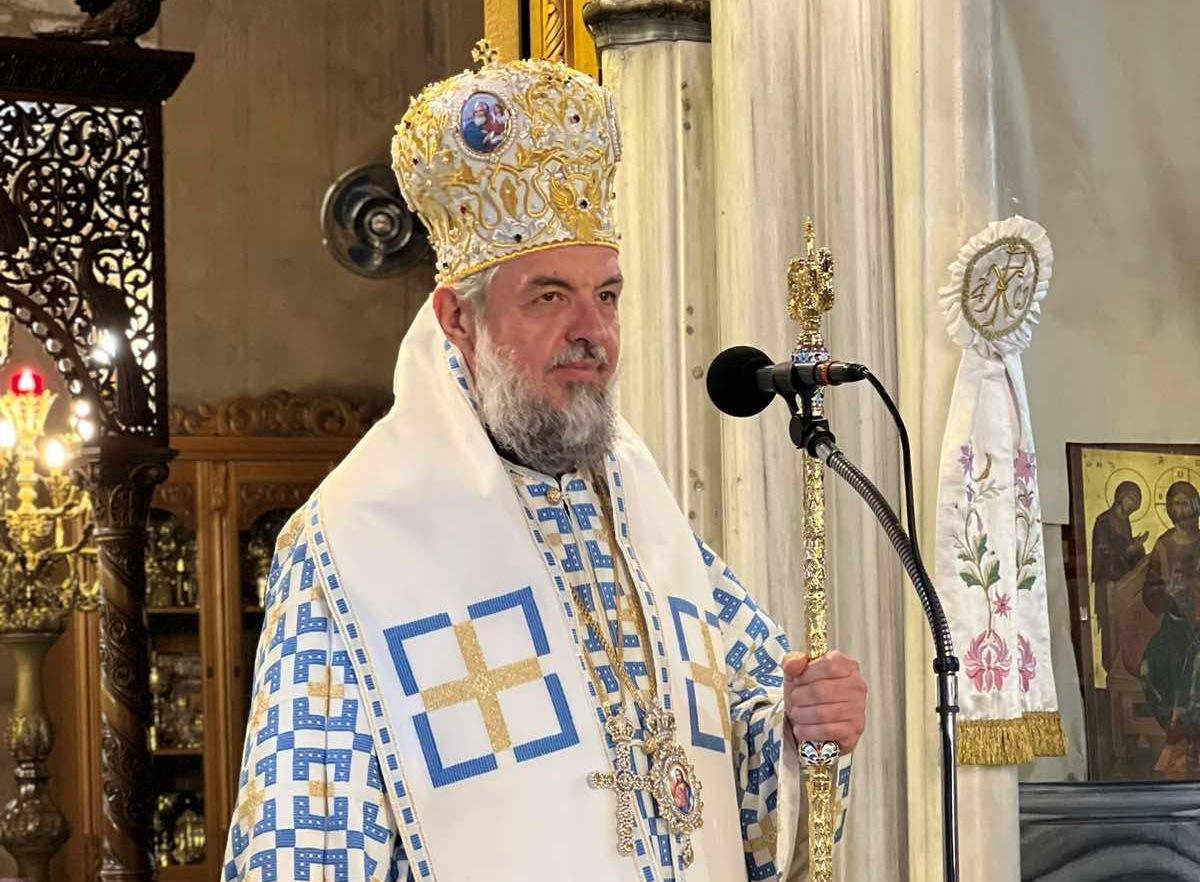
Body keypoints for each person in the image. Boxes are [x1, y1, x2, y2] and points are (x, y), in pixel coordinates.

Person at [222, 48, 868, 882]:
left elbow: (736, 751)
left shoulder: (642, 513)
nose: (591, 330)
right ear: (458, 320)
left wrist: (800, 724)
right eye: (549, 296)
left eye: (607, 295)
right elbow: (301, 844)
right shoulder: (350, 548)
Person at [1140, 481, 1200, 776]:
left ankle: (1186, 742)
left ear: (1196, 506)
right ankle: (1173, 733)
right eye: (1175, 504)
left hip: (1198, 626)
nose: (1181, 509)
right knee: (1148, 666)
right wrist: (1168, 593)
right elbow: (1149, 590)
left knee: (1191, 668)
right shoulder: (1163, 545)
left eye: (1185, 503)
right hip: (1174, 624)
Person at [1091, 480, 1149, 670]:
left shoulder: (1124, 523)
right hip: (1109, 585)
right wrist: (1130, 549)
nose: (1132, 506)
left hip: (1124, 586)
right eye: (1131, 499)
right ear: (1120, 497)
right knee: (1112, 628)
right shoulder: (1103, 522)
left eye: (1136, 503)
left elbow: (1126, 556)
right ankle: (1112, 666)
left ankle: (1125, 666)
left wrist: (1138, 550)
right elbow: (1103, 558)